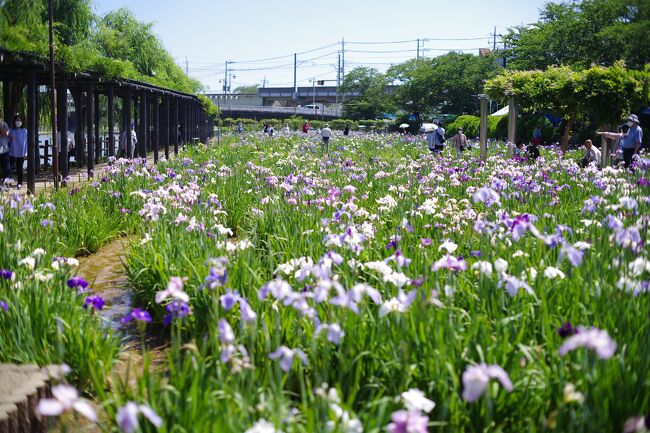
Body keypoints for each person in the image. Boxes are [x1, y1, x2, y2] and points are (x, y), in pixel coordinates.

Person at [8, 114, 27, 189]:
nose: (18, 122)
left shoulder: (24, 131)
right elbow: (7, 141)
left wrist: (26, 153)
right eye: (17, 120)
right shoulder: (10, 130)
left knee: (20, 169)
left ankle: (19, 183)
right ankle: (8, 184)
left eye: (19, 120)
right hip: (11, 152)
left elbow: (26, 143)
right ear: (14, 122)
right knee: (10, 168)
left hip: (21, 152)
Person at [0, 111, 10, 185]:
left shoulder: (4, 124)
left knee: (6, 168)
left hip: (4, 149)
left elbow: (5, 133)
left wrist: (0, 127)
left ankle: (6, 184)